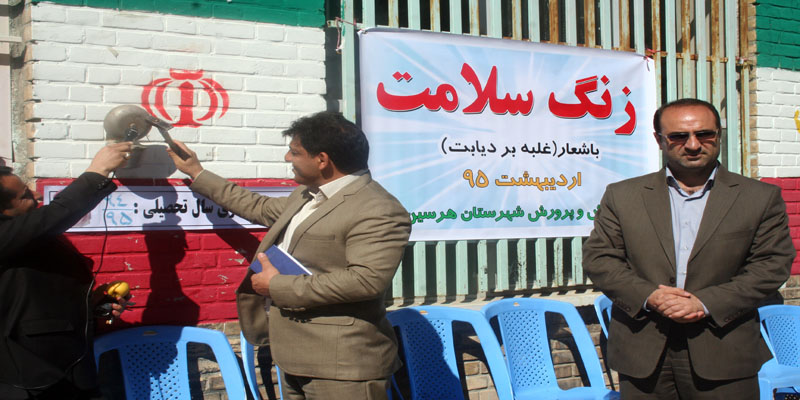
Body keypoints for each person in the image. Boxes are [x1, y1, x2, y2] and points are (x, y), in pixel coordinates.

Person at [166, 111, 411, 399]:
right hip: (293, 356)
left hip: (343, 367)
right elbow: (257, 206)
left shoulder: (378, 209)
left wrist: (276, 286)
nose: (287, 158)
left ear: (322, 160)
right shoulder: (307, 195)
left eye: (295, 152)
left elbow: (366, 281)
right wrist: (197, 172)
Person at [583, 98, 795, 399]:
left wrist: (704, 302)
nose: (693, 145)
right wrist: (651, 296)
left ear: (718, 135)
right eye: (679, 136)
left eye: (704, 134)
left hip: (724, 351)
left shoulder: (759, 198)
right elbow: (600, 259)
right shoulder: (623, 196)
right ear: (659, 140)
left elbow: (771, 265)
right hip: (643, 351)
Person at [0, 142, 134, 399]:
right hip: (30, 379)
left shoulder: (28, 241)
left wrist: (93, 306)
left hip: (71, 370)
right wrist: (97, 171)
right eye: (25, 196)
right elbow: (54, 215)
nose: (37, 196)